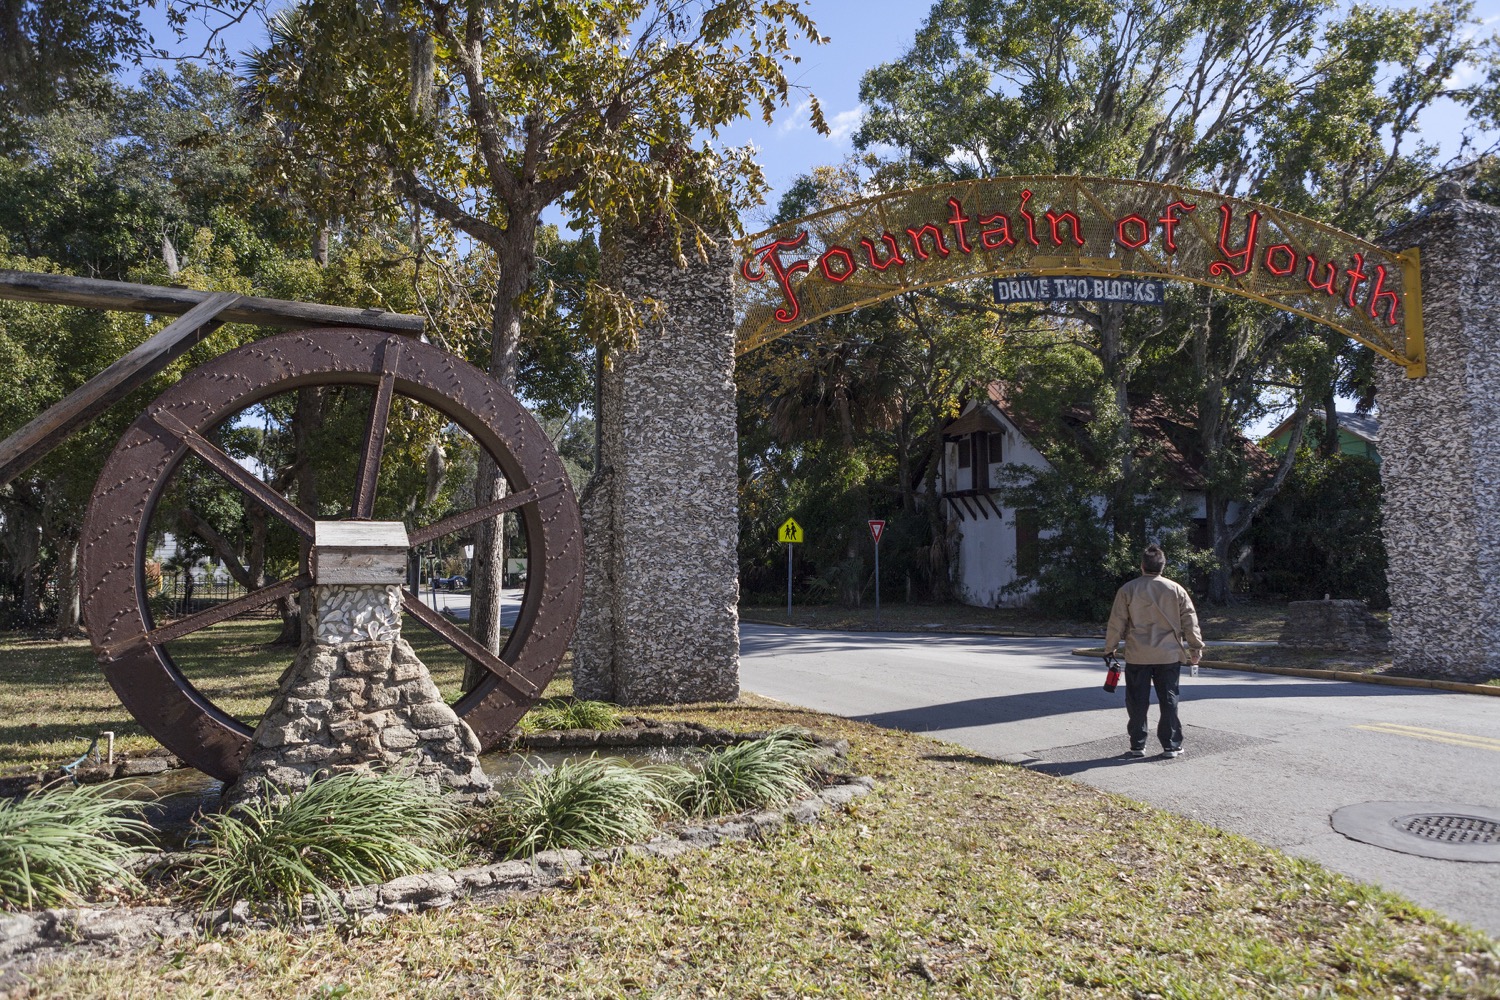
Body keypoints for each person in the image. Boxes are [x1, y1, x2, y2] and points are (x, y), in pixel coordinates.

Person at [1103, 544, 1203, 759]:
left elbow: (1116, 622)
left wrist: (1110, 649)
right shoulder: (1176, 589)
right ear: (1163, 566)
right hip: (1168, 654)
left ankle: (1138, 744)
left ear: (1142, 566)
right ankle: (1171, 744)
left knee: (1137, 700)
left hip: (1138, 653)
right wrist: (1195, 648)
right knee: (1169, 698)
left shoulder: (1128, 590)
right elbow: (1190, 620)